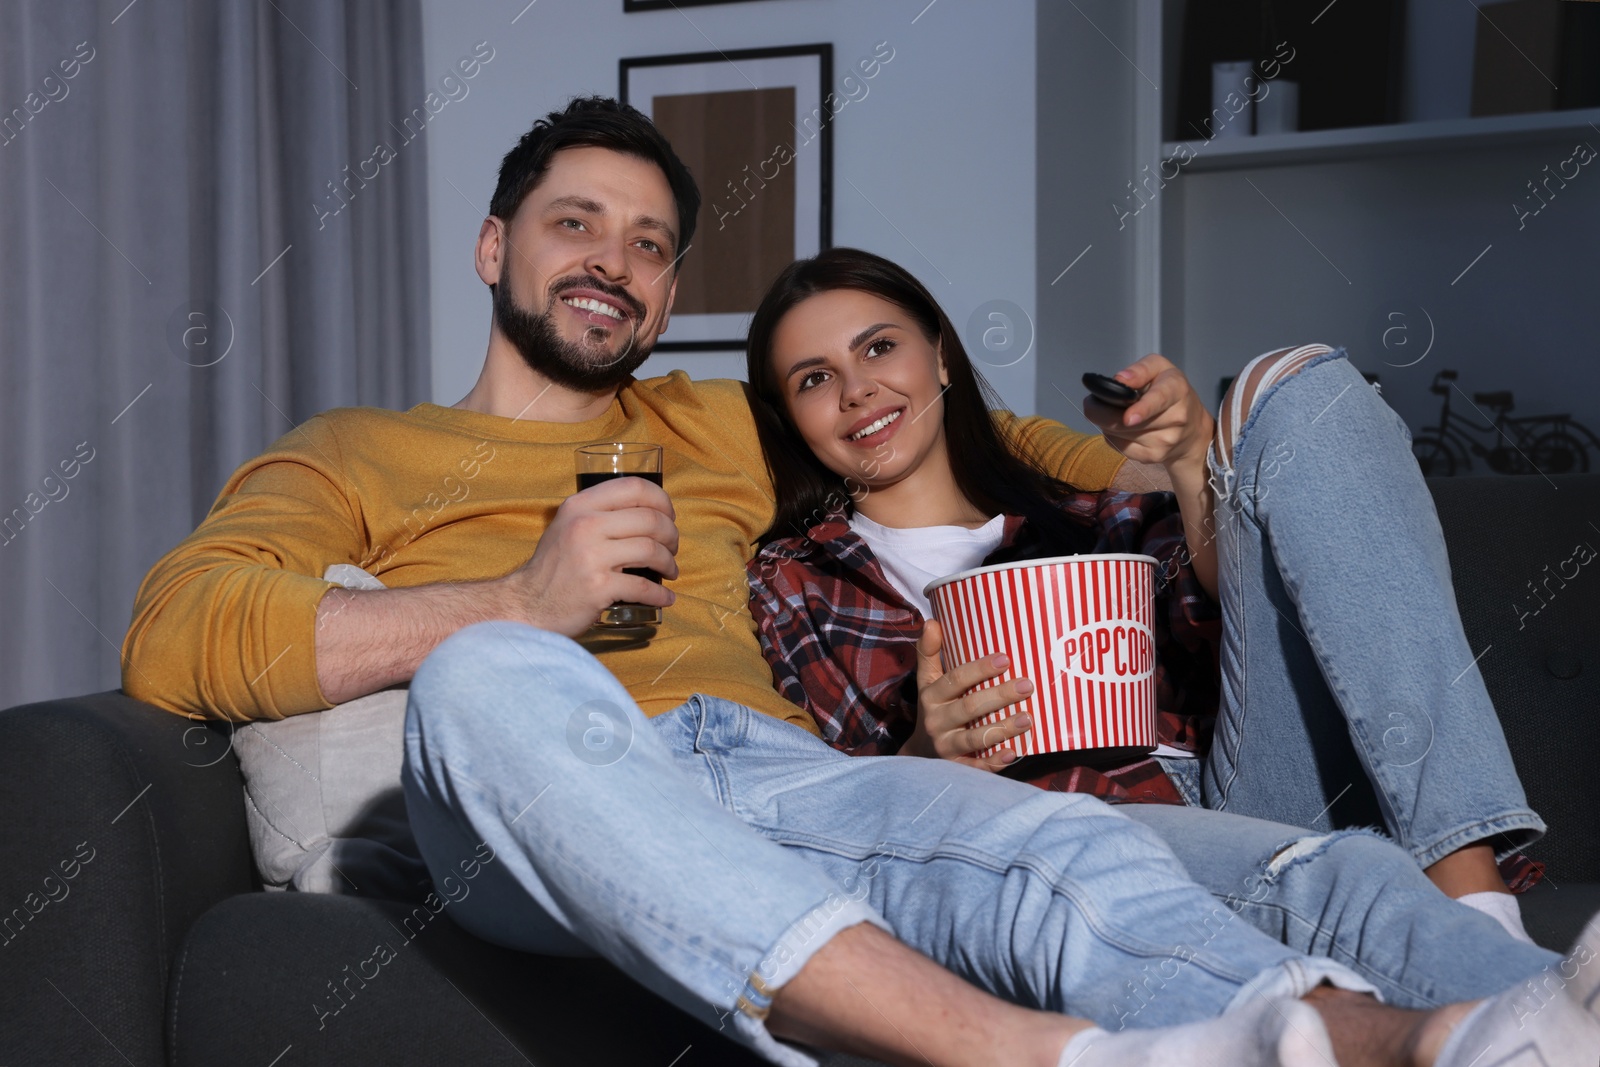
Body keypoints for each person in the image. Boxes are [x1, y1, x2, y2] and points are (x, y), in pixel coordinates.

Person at [120, 97, 1599, 1067]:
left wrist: (1170, 459)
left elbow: (975, 441)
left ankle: (1498, 1028)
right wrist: (517, 598)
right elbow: (178, 634)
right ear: (495, 246)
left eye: (651, 245)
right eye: (576, 224)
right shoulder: (357, 446)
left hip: (769, 773)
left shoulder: (717, 419)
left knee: (1074, 854)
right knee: (489, 675)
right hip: (528, 782)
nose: (613, 263)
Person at [742, 248, 1545, 945]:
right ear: (790, 418)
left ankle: (1475, 900)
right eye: (815, 378)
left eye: (880, 347)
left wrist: (1193, 457)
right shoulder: (798, 579)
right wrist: (925, 754)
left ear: (941, 358)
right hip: (1069, 855)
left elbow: (1241, 609)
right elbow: (838, 814)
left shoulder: (1086, 512)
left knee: (1301, 380)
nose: (858, 390)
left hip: (1245, 795)